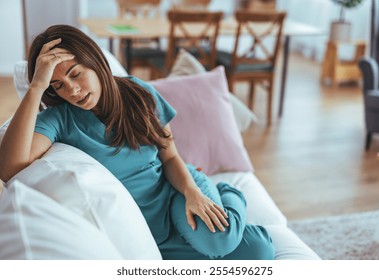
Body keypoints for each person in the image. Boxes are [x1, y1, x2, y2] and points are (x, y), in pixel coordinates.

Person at [0, 25, 274, 260]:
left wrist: (192, 192)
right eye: (57, 84)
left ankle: (229, 193)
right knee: (260, 251)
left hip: (176, 194)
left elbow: (170, 156)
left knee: (219, 242)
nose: (72, 90)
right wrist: (36, 86)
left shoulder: (138, 93)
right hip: (146, 232)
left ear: (94, 62)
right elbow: (9, 168)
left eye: (75, 73)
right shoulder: (59, 119)